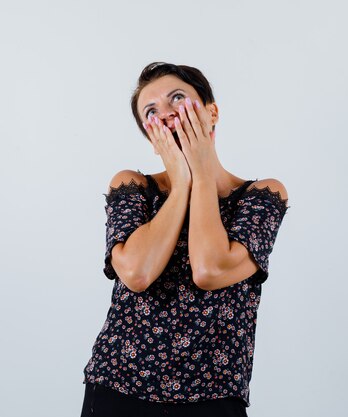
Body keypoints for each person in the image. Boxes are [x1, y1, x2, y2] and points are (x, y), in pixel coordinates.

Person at [80, 62, 290, 417]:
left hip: (214, 396)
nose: (166, 114)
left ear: (212, 112)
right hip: (119, 387)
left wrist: (202, 176)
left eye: (177, 98)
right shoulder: (132, 186)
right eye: (151, 112)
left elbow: (210, 270)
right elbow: (137, 273)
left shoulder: (262, 195)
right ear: (151, 139)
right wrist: (180, 184)